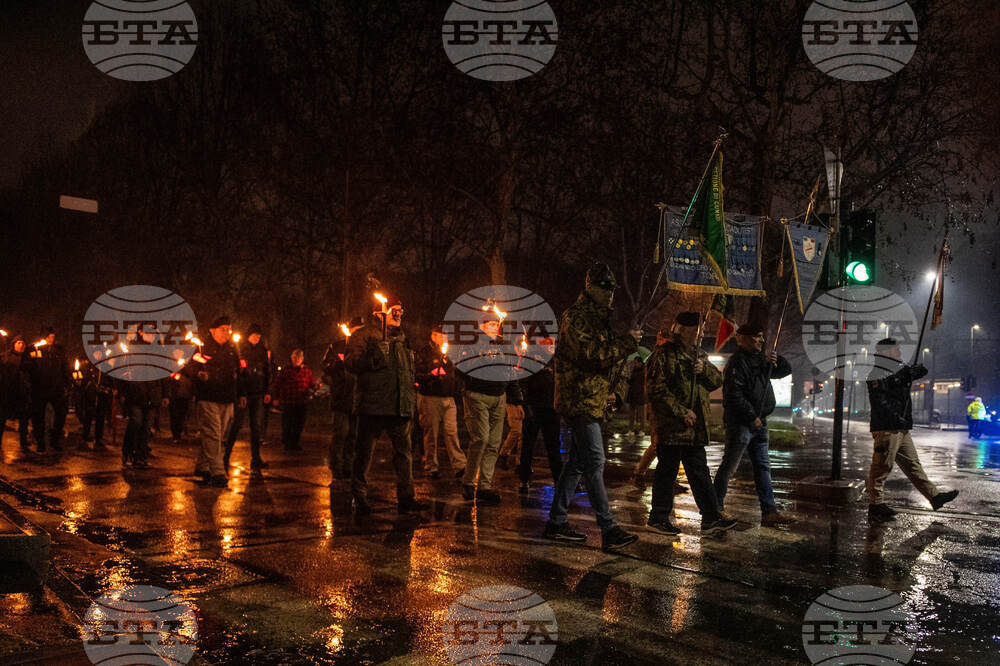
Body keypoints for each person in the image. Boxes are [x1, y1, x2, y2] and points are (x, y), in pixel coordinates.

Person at [542, 262, 641, 552]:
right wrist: (625, 344)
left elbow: (608, 364)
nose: (610, 293)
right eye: (604, 287)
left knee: (577, 464)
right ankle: (608, 527)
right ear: (590, 287)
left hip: (593, 401)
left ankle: (557, 522)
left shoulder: (600, 319)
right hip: (579, 401)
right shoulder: (576, 318)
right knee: (595, 462)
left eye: (612, 288)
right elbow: (592, 355)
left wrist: (614, 391)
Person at [646, 314, 736, 537]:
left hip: (694, 429)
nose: (702, 333)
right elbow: (656, 389)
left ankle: (711, 517)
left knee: (699, 472)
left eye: (703, 329)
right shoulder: (664, 354)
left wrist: (703, 368)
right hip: (672, 427)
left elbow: (716, 381)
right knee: (667, 472)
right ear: (683, 329)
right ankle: (658, 517)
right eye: (698, 329)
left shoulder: (699, 355)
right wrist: (680, 411)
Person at [345, 296, 428, 515]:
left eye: (401, 310)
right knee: (364, 452)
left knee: (404, 453)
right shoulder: (362, 336)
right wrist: (374, 356)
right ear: (379, 314)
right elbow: (351, 363)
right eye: (393, 310)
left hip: (399, 406)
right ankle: (359, 496)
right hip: (372, 406)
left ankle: (406, 497)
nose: (398, 314)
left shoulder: (402, 340)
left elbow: (406, 373)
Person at [866, 338, 959, 523]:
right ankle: (875, 505)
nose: (900, 351)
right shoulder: (877, 372)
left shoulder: (896, 369)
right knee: (882, 466)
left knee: (913, 465)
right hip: (888, 427)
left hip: (901, 427)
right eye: (896, 349)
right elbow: (880, 399)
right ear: (886, 352)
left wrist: (910, 374)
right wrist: (904, 376)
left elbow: (901, 380)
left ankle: (934, 497)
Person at [713, 323, 794, 527]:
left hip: (760, 423)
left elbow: (785, 371)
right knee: (729, 467)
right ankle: (714, 509)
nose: (761, 340)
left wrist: (778, 361)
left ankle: (769, 511)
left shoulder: (760, 361)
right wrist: (751, 416)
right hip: (741, 423)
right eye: (756, 336)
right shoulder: (737, 363)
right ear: (742, 338)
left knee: (763, 467)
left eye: (761, 336)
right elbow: (734, 395)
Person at [458, 317, 523, 506]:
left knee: (494, 442)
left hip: (499, 396)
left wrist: (517, 400)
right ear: (482, 327)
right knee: (481, 438)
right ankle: (469, 482)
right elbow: (460, 369)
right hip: (477, 395)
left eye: (497, 325)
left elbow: (511, 374)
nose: (496, 328)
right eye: (491, 325)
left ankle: (485, 486)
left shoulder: (504, 346)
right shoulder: (472, 344)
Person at [187, 317, 242, 488]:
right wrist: (198, 375)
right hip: (209, 396)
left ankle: (202, 466)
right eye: (223, 329)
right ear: (213, 330)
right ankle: (218, 471)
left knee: (221, 434)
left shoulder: (232, 350)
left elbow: (239, 372)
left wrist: (241, 393)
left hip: (227, 397)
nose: (226, 332)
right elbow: (190, 367)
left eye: (228, 329)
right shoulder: (203, 348)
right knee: (213, 433)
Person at [415, 324, 467, 480]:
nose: (444, 338)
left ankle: (460, 465)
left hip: (448, 397)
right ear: (433, 336)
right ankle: (431, 465)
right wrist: (432, 374)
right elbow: (416, 374)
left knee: (452, 432)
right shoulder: (424, 352)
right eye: (440, 335)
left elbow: (456, 373)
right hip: (431, 397)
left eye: (446, 335)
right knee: (431, 433)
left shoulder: (451, 353)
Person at [224, 323, 272, 472]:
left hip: (258, 393)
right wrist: (241, 392)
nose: (256, 338)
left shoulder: (263, 351)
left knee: (256, 427)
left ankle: (255, 458)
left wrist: (268, 391)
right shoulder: (241, 350)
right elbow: (239, 373)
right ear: (248, 335)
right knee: (237, 425)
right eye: (254, 335)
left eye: (258, 335)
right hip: (244, 394)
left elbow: (268, 371)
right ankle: (225, 456)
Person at [517, 338, 562, 491]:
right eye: (548, 344)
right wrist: (524, 404)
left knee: (554, 446)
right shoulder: (532, 358)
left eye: (552, 345)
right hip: (534, 408)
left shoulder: (557, 361)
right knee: (528, 445)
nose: (551, 347)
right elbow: (522, 381)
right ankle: (524, 479)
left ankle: (558, 478)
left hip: (551, 408)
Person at [322, 317, 363, 481]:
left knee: (353, 435)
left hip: (357, 396)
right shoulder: (336, 346)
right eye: (356, 329)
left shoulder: (362, 347)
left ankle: (349, 466)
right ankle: (336, 466)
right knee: (341, 433)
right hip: (340, 397)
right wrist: (337, 365)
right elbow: (325, 366)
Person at [28, 328, 71, 453]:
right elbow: (29, 368)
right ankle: (40, 441)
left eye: (52, 337)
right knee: (38, 416)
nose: (51, 339)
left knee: (60, 414)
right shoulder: (36, 350)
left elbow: (65, 367)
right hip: (40, 388)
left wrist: (67, 383)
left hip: (56, 388)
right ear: (44, 338)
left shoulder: (59, 352)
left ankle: (55, 440)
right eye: (48, 337)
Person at [272, 349, 318, 452]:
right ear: (291, 358)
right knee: (287, 423)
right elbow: (277, 384)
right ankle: (287, 442)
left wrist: (315, 388)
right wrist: (275, 397)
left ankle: (295, 442)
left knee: (299, 423)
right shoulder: (285, 370)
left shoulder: (307, 371)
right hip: (288, 401)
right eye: (295, 358)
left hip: (301, 402)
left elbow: (312, 383)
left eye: (299, 358)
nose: (297, 360)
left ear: (302, 359)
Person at [1, 335, 33, 452]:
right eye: (19, 343)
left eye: (23, 343)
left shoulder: (28, 358)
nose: (21, 345)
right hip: (8, 393)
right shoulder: (5, 357)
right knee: (2, 418)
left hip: (22, 394)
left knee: (23, 420)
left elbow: (33, 375)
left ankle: (23, 443)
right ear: (14, 344)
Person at [168, 366, 195, 443]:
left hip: (184, 398)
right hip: (175, 398)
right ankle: (176, 435)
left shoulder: (188, 378)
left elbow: (192, 386)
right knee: (175, 416)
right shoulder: (174, 376)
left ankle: (178, 433)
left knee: (181, 416)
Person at [626, 356, 647, 435]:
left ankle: (642, 430)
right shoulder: (634, 371)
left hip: (640, 395)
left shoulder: (644, 371)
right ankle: (630, 430)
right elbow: (632, 382)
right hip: (633, 394)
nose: (634, 364)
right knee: (631, 414)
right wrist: (628, 379)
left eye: (636, 363)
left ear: (640, 363)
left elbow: (642, 383)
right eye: (634, 363)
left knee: (641, 414)